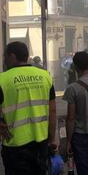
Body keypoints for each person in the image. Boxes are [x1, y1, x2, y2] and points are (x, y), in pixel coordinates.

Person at [0, 41, 56, 175]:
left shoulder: (2, 79)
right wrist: (52, 139)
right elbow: (52, 111)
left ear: (12, 56)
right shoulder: (45, 76)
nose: (4, 60)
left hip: (15, 145)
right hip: (41, 142)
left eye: (5, 57)